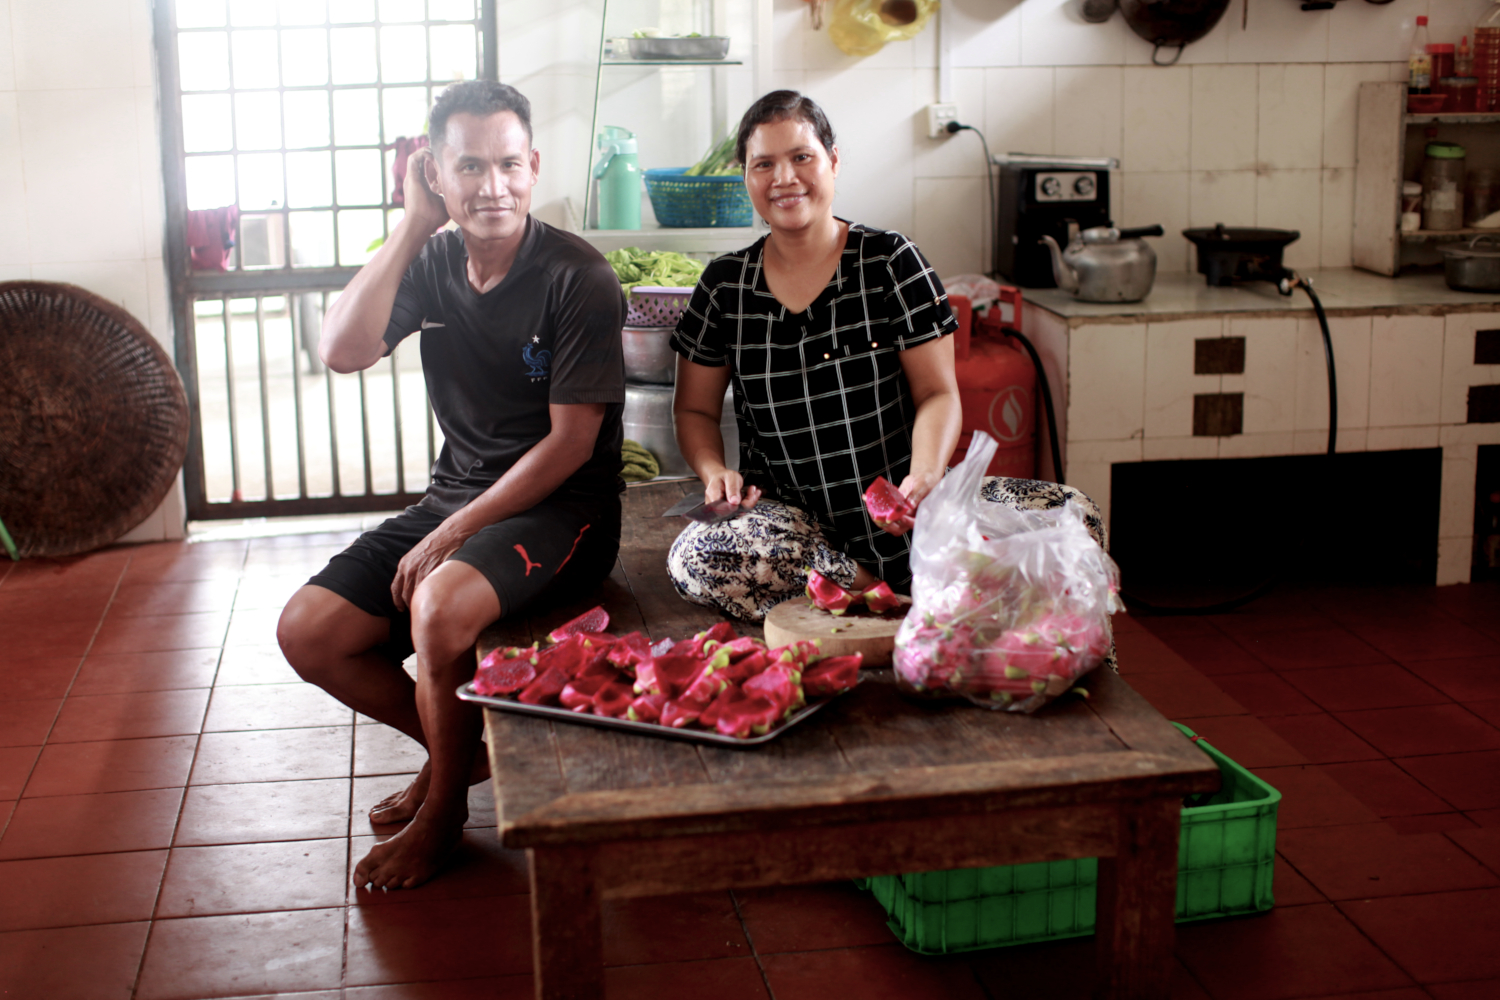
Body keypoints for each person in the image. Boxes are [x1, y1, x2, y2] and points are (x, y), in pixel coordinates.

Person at [276, 81, 626, 890]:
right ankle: (458, 756)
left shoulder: (577, 275)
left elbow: (571, 444)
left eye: (508, 164)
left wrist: (451, 533)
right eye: (468, 166)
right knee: (309, 632)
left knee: (436, 605)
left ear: (533, 167)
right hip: (455, 498)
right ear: (435, 175)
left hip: (564, 510)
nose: (491, 186)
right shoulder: (432, 263)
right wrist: (411, 227)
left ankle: (443, 814)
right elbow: (341, 349)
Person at [667, 90, 1107, 621]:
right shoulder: (725, 286)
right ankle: (876, 593)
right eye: (764, 164)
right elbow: (693, 409)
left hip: (908, 508)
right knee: (697, 555)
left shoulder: (891, 262)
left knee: (1076, 517)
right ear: (746, 177)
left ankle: (883, 596)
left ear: (832, 160)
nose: (784, 178)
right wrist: (713, 469)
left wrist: (925, 476)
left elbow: (938, 393)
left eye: (801, 157)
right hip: (794, 530)